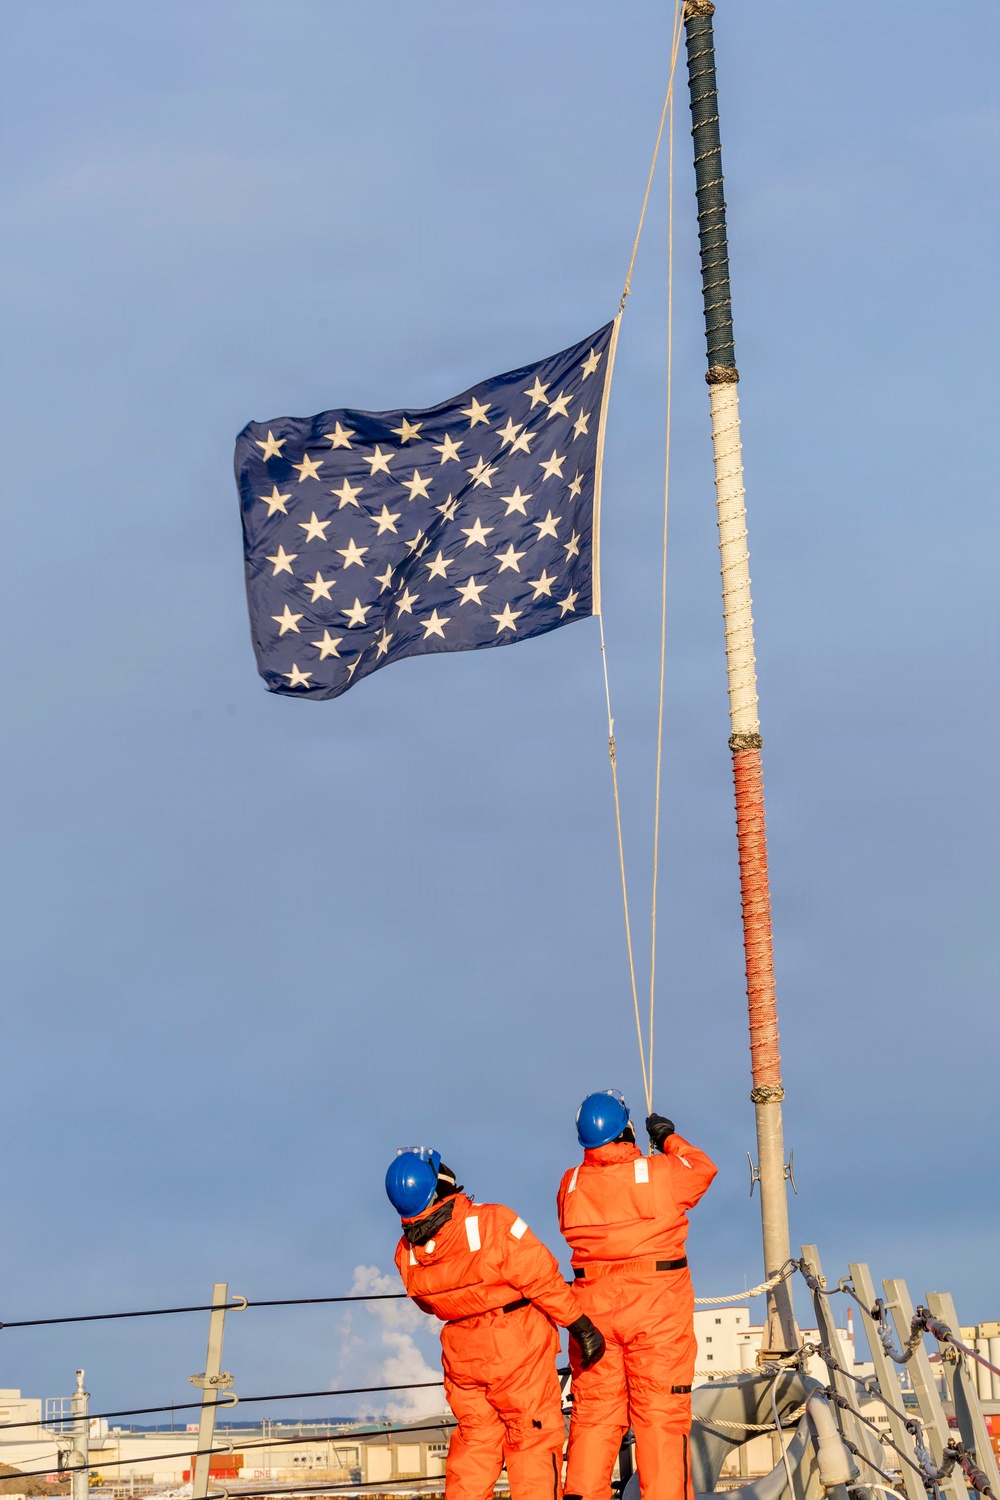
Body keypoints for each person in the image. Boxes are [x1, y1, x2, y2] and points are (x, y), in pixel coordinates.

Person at [387, 1146, 607, 1500]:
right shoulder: (492, 1223)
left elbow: (428, 1304)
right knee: (532, 1441)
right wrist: (579, 1325)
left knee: (475, 1445)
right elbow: (541, 1278)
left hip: (461, 1356)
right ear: (439, 1184)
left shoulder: (406, 1253)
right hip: (515, 1348)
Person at [557, 1092, 717, 1500]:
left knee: (594, 1419)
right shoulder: (661, 1172)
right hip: (656, 1314)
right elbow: (702, 1169)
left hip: (591, 1315)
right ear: (626, 1128)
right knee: (660, 1421)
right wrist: (667, 1138)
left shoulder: (570, 1184)